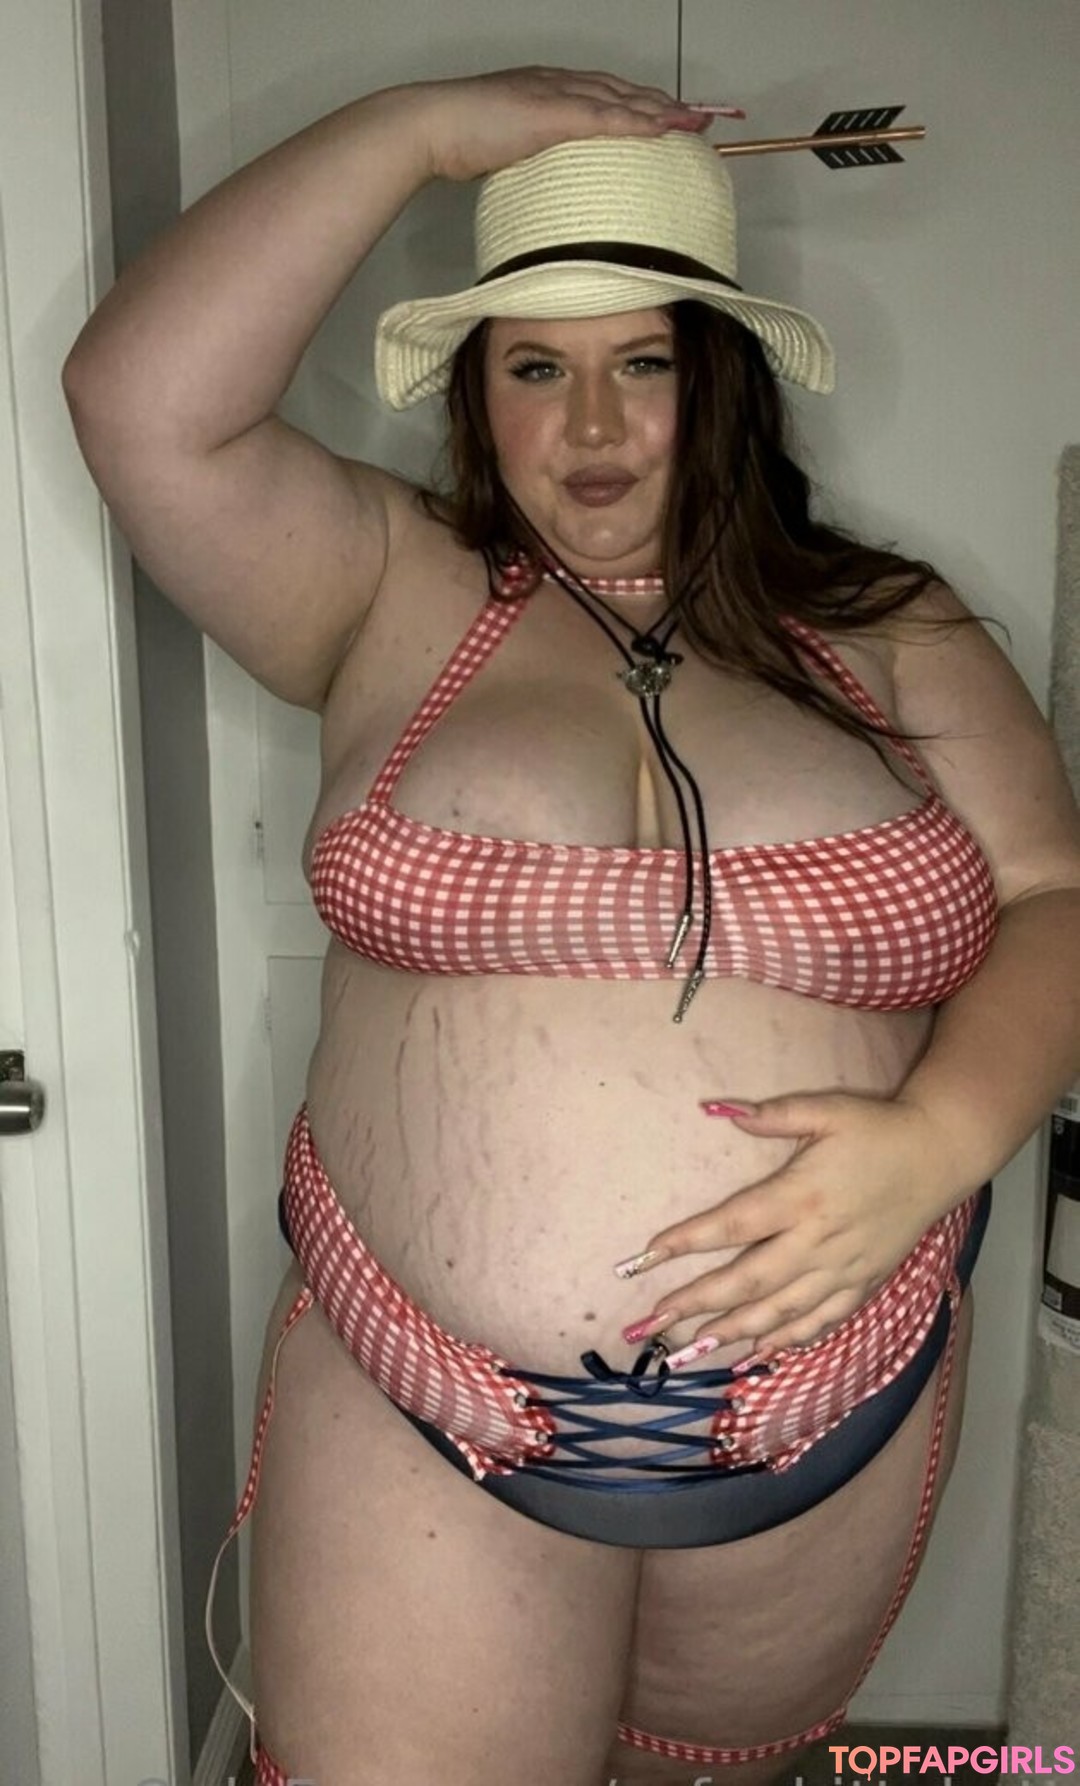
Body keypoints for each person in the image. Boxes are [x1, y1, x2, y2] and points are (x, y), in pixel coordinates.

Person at [62, 63, 1080, 1786]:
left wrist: (935, 1141)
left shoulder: (891, 626)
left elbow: (1056, 898)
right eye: (536, 365)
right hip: (420, 1405)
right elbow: (137, 396)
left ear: (721, 376)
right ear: (475, 388)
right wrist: (422, 132)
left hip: (828, 1398)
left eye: (644, 363)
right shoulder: (383, 582)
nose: (593, 427)